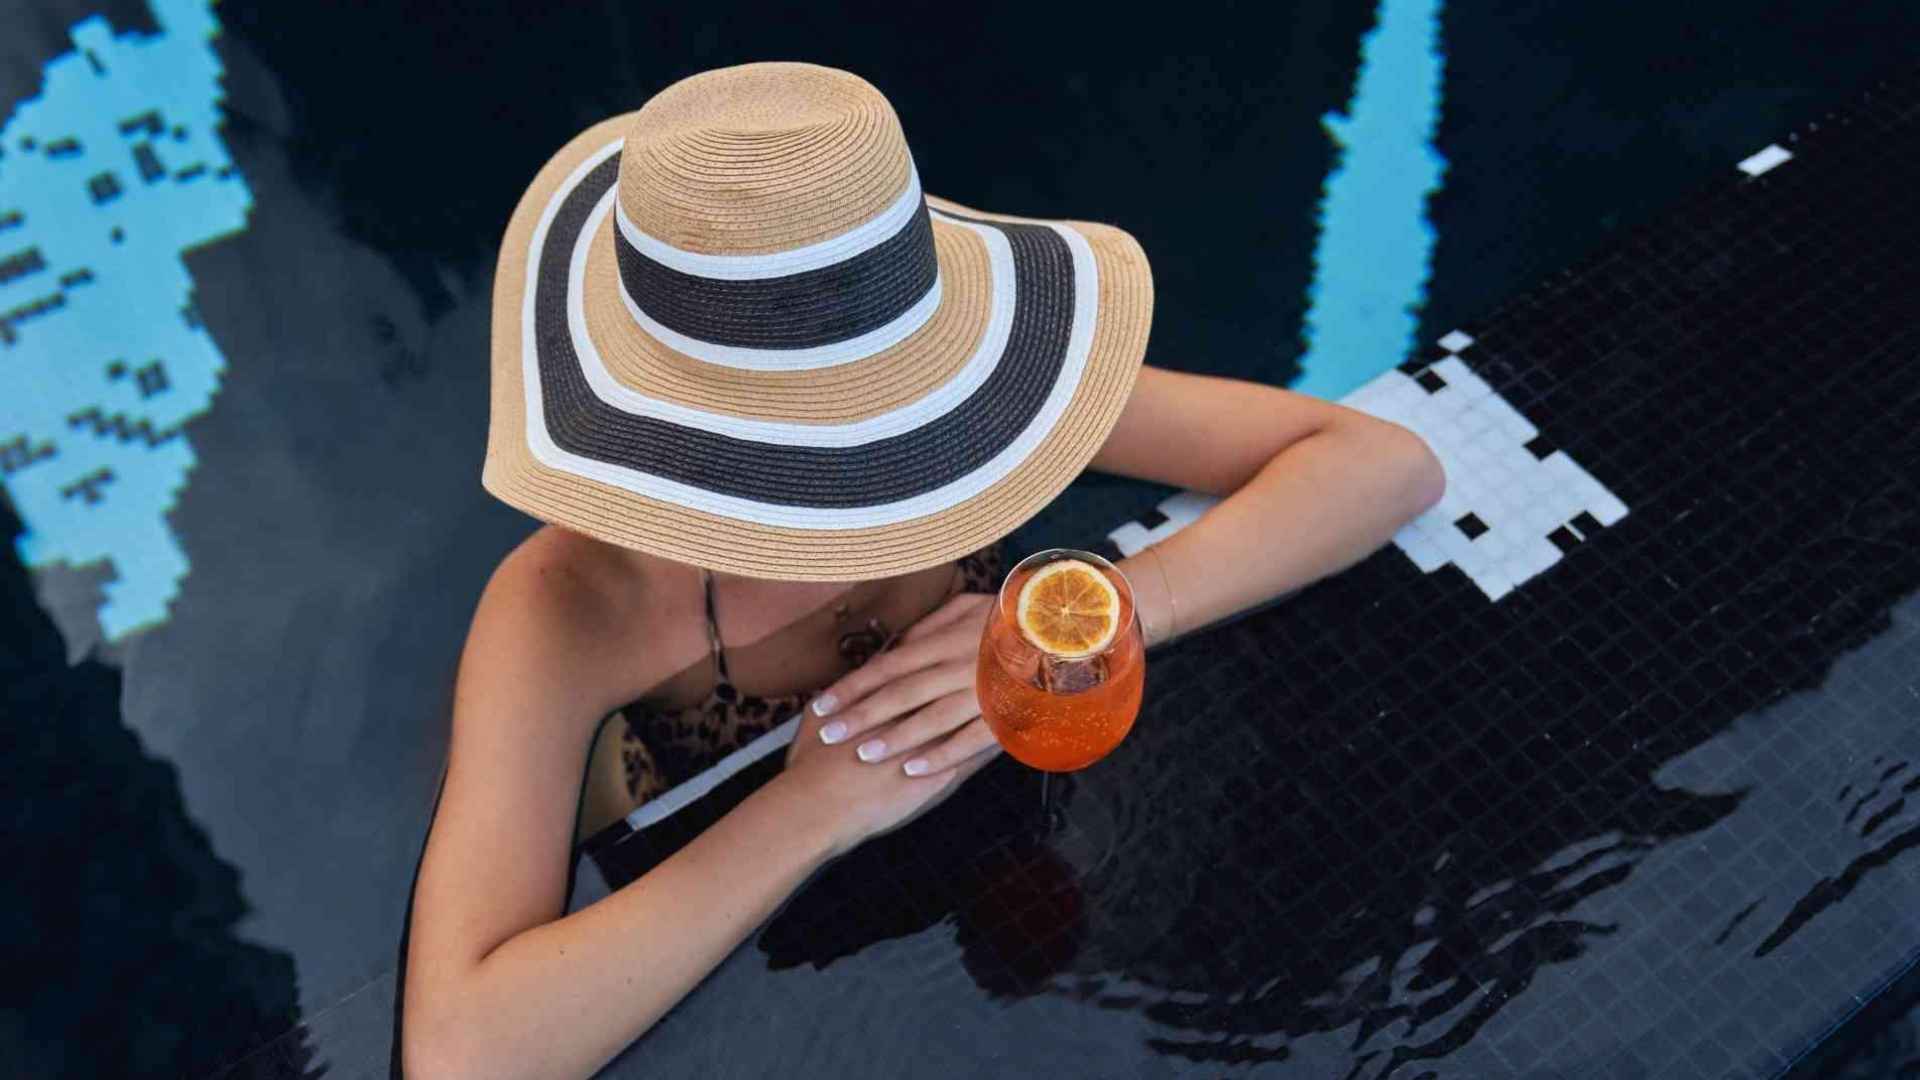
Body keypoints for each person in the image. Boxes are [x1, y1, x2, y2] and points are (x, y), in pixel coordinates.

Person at [401, 61, 1443, 1079]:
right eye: (820, 481)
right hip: (701, 860)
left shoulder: (977, 406)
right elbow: (464, 1052)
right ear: (677, 453)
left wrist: (1116, 607)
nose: (884, 511)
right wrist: (810, 809)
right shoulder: (570, 610)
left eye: (890, 458)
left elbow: (1381, 464)